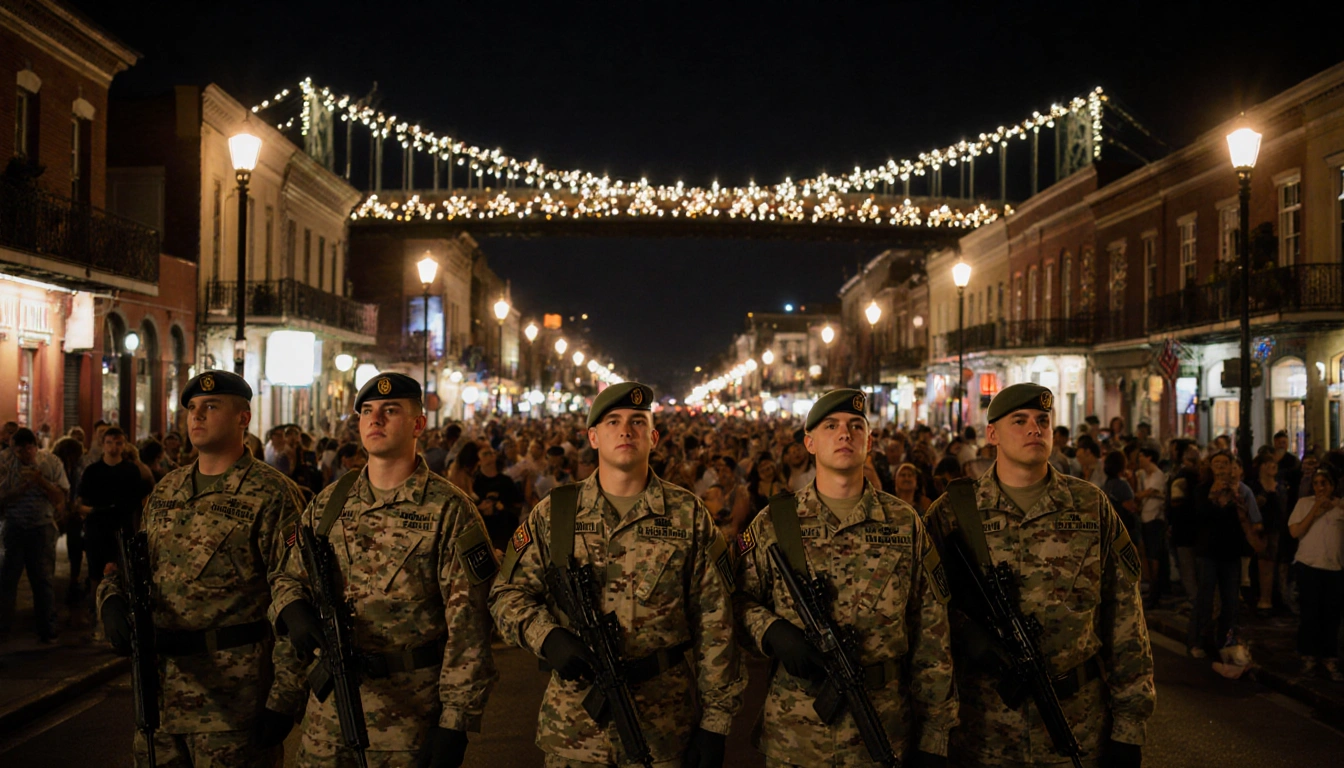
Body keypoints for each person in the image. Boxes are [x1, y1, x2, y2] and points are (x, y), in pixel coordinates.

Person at [490, 382, 744, 767]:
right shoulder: (555, 513)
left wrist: (715, 723)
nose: (625, 430)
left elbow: (716, 621)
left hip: (664, 720)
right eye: (612, 421)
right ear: (593, 437)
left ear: (654, 437)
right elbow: (506, 594)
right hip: (573, 727)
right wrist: (548, 637)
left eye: (637, 421)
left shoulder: (686, 514)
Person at [272, 373, 498, 766]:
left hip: (408, 719)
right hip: (327, 718)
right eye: (367, 412)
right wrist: (290, 607)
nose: (375, 420)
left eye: (390, 411)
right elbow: (290, 577)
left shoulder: (449, 510)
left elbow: (470, 628)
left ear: (418, 424)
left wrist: (455, 723)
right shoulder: (328, 503)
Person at [924, 383, 1153, 766]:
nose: (1035, 429)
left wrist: (1129, 728)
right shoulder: (953, 512)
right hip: (983, 730)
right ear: (992, 434)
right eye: (1020, 421)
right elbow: (928, 618)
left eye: (1043, 421)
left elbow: (1125, 617)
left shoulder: (1090, 506)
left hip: (1076, 722)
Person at [733, 390, 955, 766]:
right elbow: (735, 600)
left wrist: (935, 735)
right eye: (831, 426)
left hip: (883, 729)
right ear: (809, 442)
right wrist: (770, 630)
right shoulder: (774, 522)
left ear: (869, 440)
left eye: (856, 426)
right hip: (795, 736)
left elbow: (931, 633)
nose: (845, 435)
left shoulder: (904, 523)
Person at [96, 371, 308, 765]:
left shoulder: (273, 493)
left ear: (243, 418)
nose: (197, 416)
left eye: (211, 406)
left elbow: (294, 596)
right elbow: (132, 570)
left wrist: (284, 699)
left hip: (232, 702)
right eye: (192, 408)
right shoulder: (167, 489)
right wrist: (109, 600)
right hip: (158, 697)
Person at [1188, 451, 1261, 658]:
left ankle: (1224, 642)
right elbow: (1198, 516)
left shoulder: (1240, 491)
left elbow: (1247, 519)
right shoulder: (1202, 490)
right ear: (1210, 467)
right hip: (1208, 551)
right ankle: (1197, 641)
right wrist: (1214, 498)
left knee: (1230, 600)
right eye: (1216, 463)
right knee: (1205, 597)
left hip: (1231, 551)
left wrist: (1235, 501)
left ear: (1232, 467)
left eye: (1225, 463)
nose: (1220, 467)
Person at [0, 428, 69, 642]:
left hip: (42, 526)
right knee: (7, 580)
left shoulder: (50, 462)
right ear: (13, 449)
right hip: (14, 525)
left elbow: (61, 495)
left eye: (29, 449)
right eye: (19, 451)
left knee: (42, 578)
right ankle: (3, 630)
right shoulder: (4, 464)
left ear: (35, 446)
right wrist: (19, 489)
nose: (25, 454)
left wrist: (40, 481)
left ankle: (47, 629)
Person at [77, 427, 152, 602]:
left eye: (118, 443)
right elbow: (80, 503)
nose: (113, 447)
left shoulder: (131, 470)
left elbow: (141, 499)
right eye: (109, 443)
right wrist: (90, 512)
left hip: (123, 528)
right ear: (103, 444)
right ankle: (97, 615)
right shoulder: (92, 471)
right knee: (96, 574)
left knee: (124, 572)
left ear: (124, 445)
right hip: (97, 529)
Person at [1286, 468, 1344, 681]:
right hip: (1308, 565)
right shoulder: (1304, 504)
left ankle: (1330, 657)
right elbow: (1295, 531)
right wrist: (1316, 509)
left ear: (1332, 485)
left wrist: (1336, 505)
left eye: (1324, 483)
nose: (1320, 487)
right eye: (1317, 483)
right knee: (1309, 613)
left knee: (1331, 615)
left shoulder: (1339, 507)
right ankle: (1308, 655)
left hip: (1334, 568)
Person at [50, 436, 87, 610]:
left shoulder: (77, 467)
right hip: (56, 511)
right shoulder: (54, 467)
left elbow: (77, 488)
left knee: (75, 541)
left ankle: (74, 578)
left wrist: (74, 506)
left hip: (70, 511)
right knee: (49, 545)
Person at [474, 443, 525, 551]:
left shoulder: (505, 481)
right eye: (485, 454)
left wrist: (504, 508)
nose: (490, 455)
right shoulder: (475, 481)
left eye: (492, 452)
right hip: (482, 531)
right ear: (478, 460)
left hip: (503, 530)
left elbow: (517, 505)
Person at [1135, 448, 1169, 604]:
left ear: (1150, 457)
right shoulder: (1143, 475)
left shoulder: (1157, 475)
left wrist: (1134, 495)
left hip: (1155, 519)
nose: (1139, 460)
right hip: (1145, 517)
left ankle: (1156, 589)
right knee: (1148, 553)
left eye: (1141, 456)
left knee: (1154, 555)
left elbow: (1146, 493)